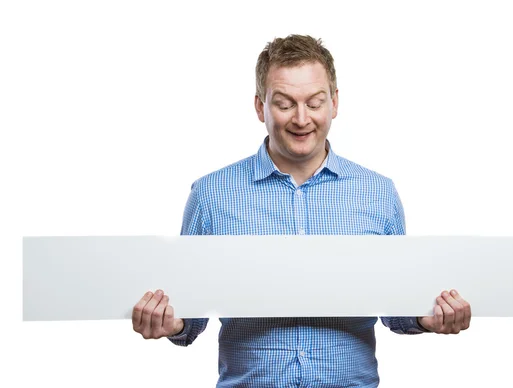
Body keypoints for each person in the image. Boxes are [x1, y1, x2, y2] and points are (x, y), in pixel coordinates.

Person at [131, 34, 471, 387]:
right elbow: (191, 315)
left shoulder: (378, 193)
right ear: (260, 106)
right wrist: (172, 323)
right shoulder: (211, 194)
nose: (301, 118)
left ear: (335, 103)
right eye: (284, 103)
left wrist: (426, 318)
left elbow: (395, 306)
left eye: (315, 102)